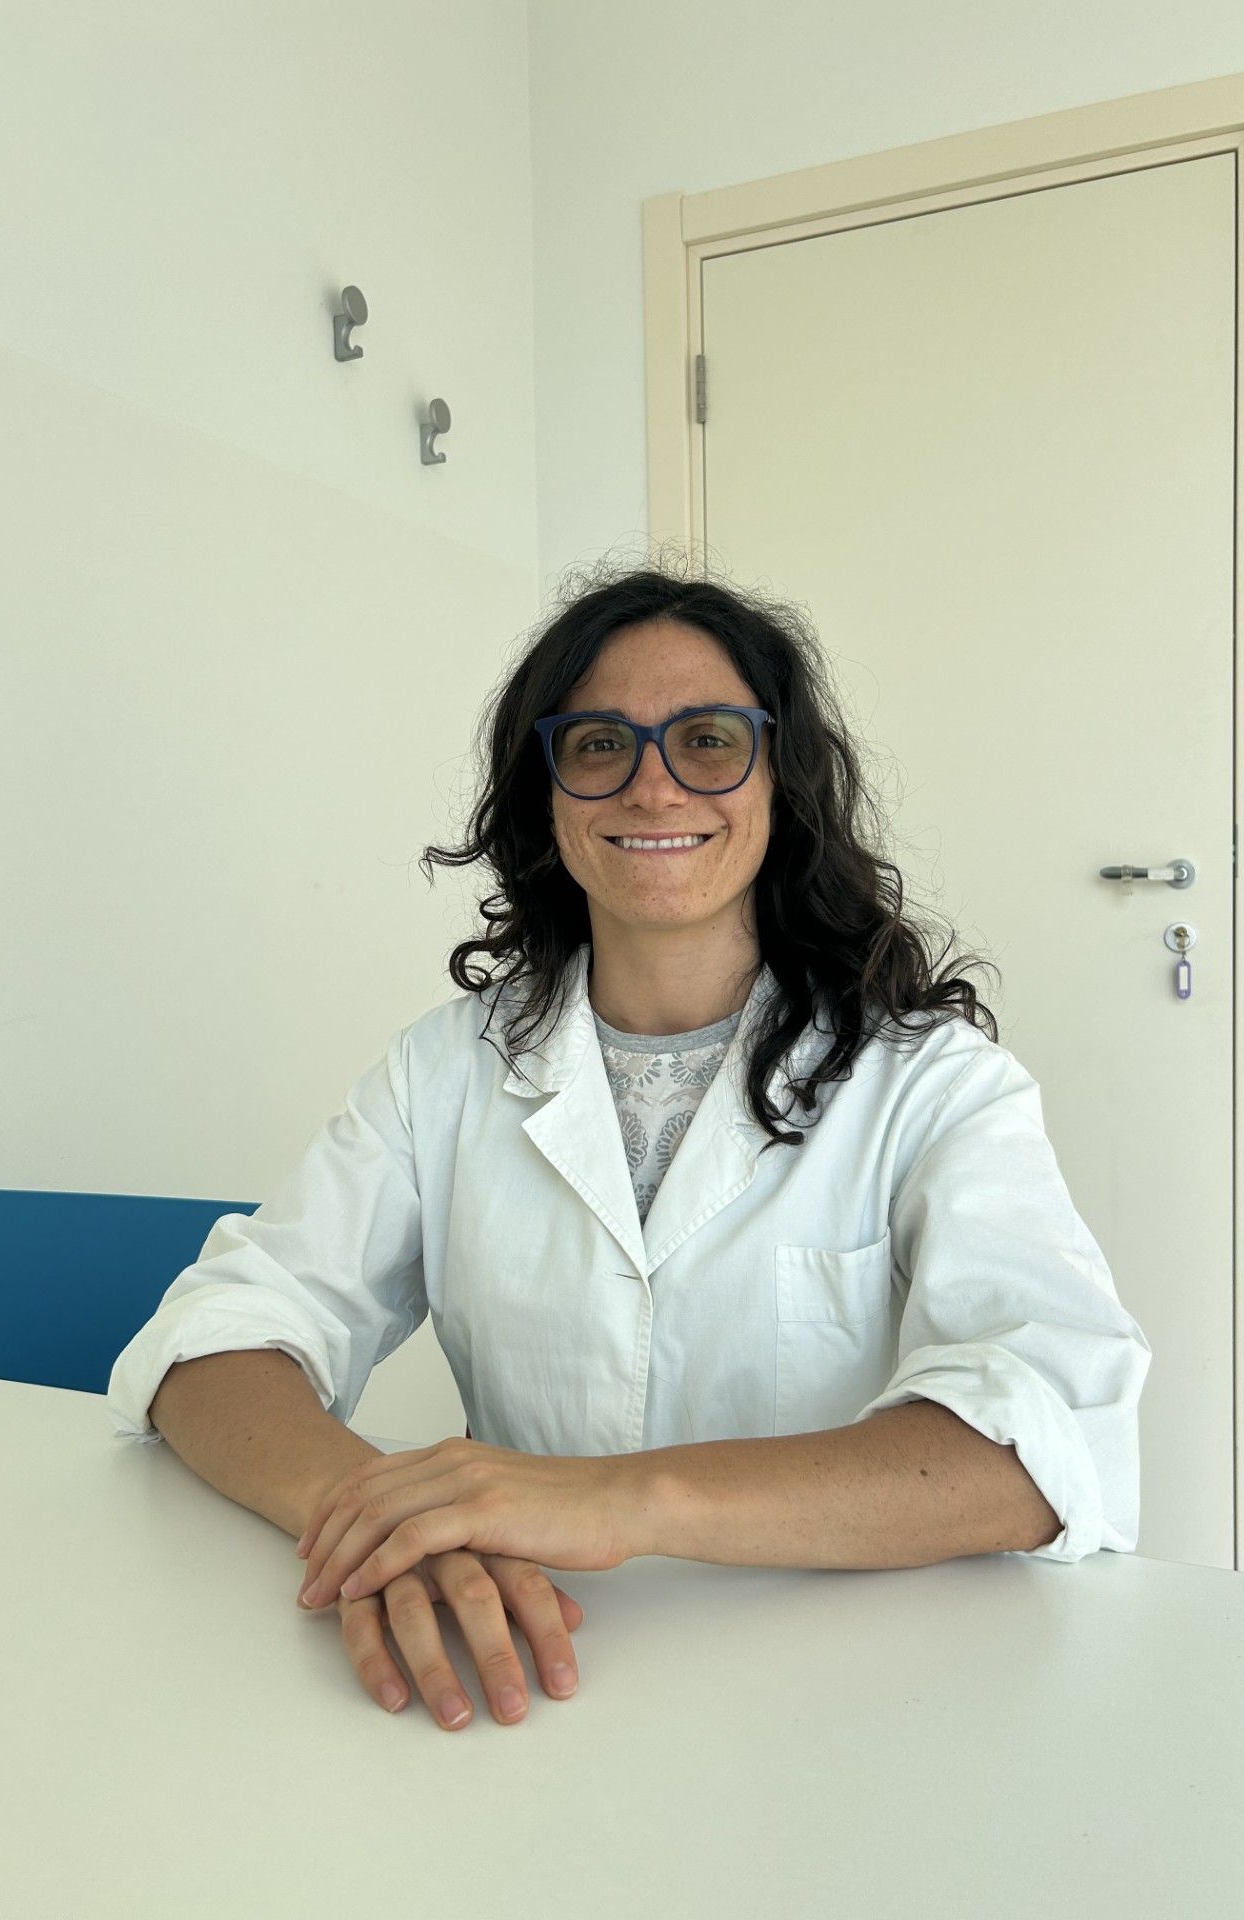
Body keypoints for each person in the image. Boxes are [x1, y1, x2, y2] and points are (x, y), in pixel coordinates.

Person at [107, 553, 1151, 1736]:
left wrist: (621, 1501)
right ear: (548, 794)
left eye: (708, 739)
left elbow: (1050, 1440)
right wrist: (381, 1518)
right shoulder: (446, 1069)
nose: (654, 787)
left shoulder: (932, 1085)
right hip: (530, 1673)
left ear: (784, 781)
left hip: (843, 1689)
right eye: (601, 743)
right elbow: (219, 1334)